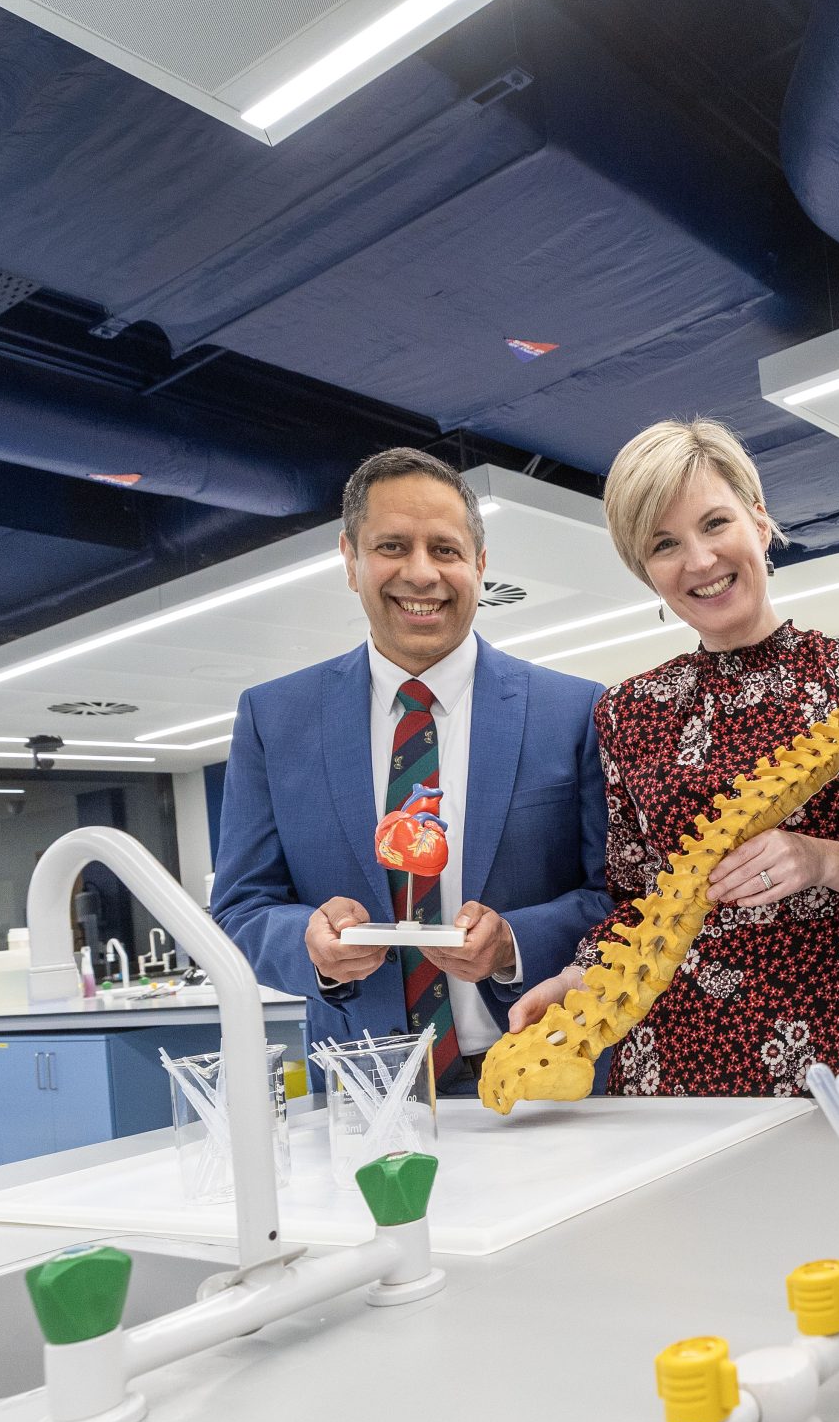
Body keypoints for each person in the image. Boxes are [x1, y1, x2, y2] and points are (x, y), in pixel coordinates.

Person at [506, 419, 839, 1095]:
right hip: (665, 1066)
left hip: (836, 1059)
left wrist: (826, 859)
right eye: (664, 544)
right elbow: (639, 897)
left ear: (759, 521)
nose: (700, 560)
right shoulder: (629, 711)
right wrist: (575, 977)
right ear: (646, 571)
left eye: (714, 523)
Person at [213, 447, 609, 1094]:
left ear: (480, 565)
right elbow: (240, 906)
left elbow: (615, 898)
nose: (421, 573)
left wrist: (514, 941)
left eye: (446, 550)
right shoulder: (274, 720)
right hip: (363, 1090)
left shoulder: (574, 710)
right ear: (351, 559)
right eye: (393, 546)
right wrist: (308, 943)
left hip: (542, 1075)